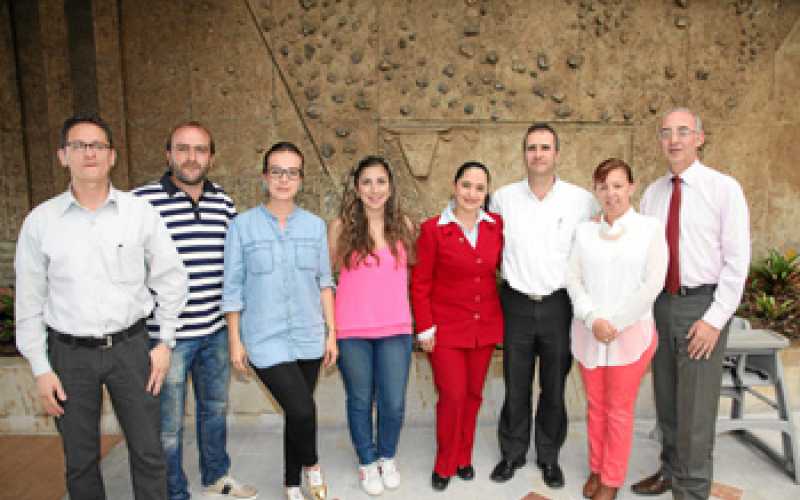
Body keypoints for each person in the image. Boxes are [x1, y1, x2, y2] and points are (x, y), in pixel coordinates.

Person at [14, 113, 188, 499]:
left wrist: (164, 342)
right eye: (78, 146)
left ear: (112, 156)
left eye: (98, 146)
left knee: (149, 452)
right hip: (69, 356)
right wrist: (41, 368)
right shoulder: (41, 223)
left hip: (131, 350)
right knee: (80, 460)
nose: (89, 153)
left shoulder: (139, 213)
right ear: (63, 156)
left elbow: (172, 279)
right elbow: (28, 302)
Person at [133, 121, 257, 500]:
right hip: (165, 338)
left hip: (214, 331)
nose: (191, 157)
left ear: (211, 157)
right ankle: (173, 492)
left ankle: (217, 476)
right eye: (182, 149)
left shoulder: (223, 202)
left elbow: (234, 267)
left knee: (214, 410)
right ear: (168, 154)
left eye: (200, 149)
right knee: (168, 426)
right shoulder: (140, 202)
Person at [632, 108, 750, 500]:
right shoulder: (653, 193)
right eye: (666, 132)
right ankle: (670, 471)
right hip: (661, 305)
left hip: (702, 306)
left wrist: (714, 320)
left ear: (699, 138)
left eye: (683, 131)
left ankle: (692, 490)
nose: (674, 140)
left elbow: (737, 261)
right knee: (667, 400)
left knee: (696, 410)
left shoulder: (723, 189)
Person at [222, 142, 337, 500]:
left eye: (291, 172)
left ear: (301, 179)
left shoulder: (315, 226)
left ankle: (291, 484)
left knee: (295, 413)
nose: (283, 179)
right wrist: (235, 341)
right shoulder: (242, 226)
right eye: (276, 171)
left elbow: (324, 282)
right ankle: (312, 467)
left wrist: (332, 333)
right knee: (303, 409)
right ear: (265, 176)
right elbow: (232, 288)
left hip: (308, 334)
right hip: (264, 337)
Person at [489, 122, 597, 488]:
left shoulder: (581, 200)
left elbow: (596, 246)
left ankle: (549, 457)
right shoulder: (502, 198)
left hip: (559, 306)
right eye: (532, 147)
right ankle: (512, 453)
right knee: (515, 385)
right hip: (516, 304)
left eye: (545, 147)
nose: (538, 154)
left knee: (553, 387)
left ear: (557, 154)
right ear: (524, 153)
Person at [565, 159, 668, 500]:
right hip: (589, 332)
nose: (611, 193)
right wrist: (592, 318)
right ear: (595, 191)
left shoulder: (650, 229)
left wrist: (617, 323)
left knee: (619, 410)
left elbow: (652, 284)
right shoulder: (584, 232)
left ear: (631, 187)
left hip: (630, 335)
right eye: (603, 187)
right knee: (596, 406)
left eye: (618, 185)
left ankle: (611, 478)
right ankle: (596, 467)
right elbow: (573, 278)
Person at [411, 161, 504, 492]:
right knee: (452, 396)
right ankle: (444, 462)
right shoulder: (433, 229)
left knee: (474, 395)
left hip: (484, 327)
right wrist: (425, 328)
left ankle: (464, 456)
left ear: (487, 192)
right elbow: (420, 283)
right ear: (454, 186)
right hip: (445, 330)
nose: (472, 193)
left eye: (480, 188)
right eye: (466, 185)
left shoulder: (496, 226)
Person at [328, 156, 416, 496]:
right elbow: (326, 279)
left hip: (395, 328)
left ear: (390, 187)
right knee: (360, 399)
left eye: (381, 181)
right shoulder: (340, 228)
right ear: (356, 187)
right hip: (352, 330)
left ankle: (386, 456)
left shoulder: (404, 226)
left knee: (393, 402)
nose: (374, 189)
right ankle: (367, 461)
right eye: (367, 182)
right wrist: (329, 330)